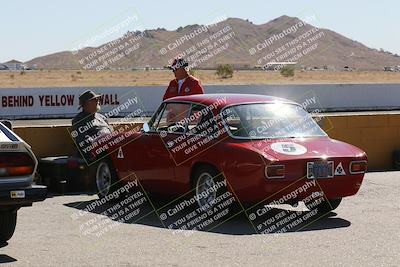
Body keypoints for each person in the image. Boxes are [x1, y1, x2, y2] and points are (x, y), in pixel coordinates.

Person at [71, 90, 113, 161]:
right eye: (94, 99)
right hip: (95, 154)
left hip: (111, 149)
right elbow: (83, 140)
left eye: (97, 99)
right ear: (85, 104)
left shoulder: (102, 117)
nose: (97, 101)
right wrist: (101, 144)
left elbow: (112, 132)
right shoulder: (78, 120)